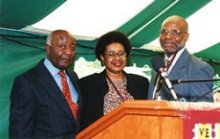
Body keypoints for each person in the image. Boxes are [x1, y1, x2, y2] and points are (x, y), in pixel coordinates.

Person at [9, 30, 81, 139]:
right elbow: (20, 132)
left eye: (72, 47)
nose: (68, 52)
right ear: (48, 48)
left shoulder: (73, 76)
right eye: (62, 46)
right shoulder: (27, 82)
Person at [78, 31, 149, 131]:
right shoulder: (87, 84)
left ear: (126, 56)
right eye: (111, 54)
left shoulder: (141, 83)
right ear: (102, 57)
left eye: (121, 53)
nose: (117, 58)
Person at [148, 15, 214, 102]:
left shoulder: (199, 68)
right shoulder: (157, 65)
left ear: (186, 36)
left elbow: (203, 111)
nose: (167, 36)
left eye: (174, 32)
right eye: (164, 31)